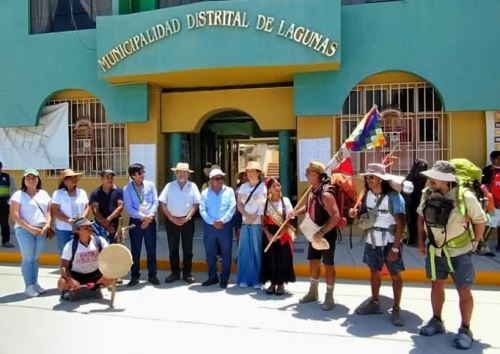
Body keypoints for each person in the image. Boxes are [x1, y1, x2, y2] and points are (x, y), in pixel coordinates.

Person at [417, 161, 487, 350]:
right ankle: (436, 321)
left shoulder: (465, 197)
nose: (431, 180)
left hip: (460, 252)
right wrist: (421, 241)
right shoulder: (427, 194)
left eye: (435, 178)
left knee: (464, 290)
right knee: (436, 285)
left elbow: (480, 220)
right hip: (436, 250)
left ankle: (465, 330)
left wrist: (475, 242)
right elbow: (421, 216)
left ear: (447, 180)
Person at [349, 163, 406, 326]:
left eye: (372, 177)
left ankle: (396, 308)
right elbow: (363, 215)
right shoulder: (367, 194)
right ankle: (375, 302)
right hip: (372, 240)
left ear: (381, 179)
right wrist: (354, 213)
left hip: (389, 240)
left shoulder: (394, 197)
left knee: (395, 275)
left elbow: (400, 223)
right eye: (367, 177)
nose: (368, 179)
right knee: (374, 272)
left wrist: (395, 247)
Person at [292, 161, 340, 311]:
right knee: (313, 262)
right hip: (314, 232)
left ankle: (329, 296)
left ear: (315, 174)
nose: (306, 175)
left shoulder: (325, 194)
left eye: (308, 172)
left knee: (329, 265)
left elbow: (335, 217)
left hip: (326, 233)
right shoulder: (312, 190)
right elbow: (309, 206)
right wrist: (296, 212)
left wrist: (321, 233)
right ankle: (313, 292)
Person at [10, 169, 52, 297]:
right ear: (24, 180)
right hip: (24, 230)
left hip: (41, 230)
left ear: (38, 179)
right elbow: (15, 215)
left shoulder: (44, 194)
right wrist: (29, 228)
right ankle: (28, 286)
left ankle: (35, 283)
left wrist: (47, 224)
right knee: (28, 258)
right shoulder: (18, 195)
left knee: (35, 258)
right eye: (28, 178)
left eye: (34, 177)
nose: (31, 180)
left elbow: (49, 212)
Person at [159, 162, 200, 284]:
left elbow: (196, 203)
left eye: (184, 172)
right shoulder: (169, 186)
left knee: (188, 249)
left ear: (188, 174)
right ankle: (174, 273)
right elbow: (162, 203)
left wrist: (188, 216)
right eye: (179, 172)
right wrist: (171, 218)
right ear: (175, 173)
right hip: (172, 221)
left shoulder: (192, 186)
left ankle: (187, 273)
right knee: (173, 249)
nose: (182, 174)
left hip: (187, 221)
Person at [57, 217, 112, 301]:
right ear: (77, 231)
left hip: (95, 274)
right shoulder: (70, 246)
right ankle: (73, 289)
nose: (90, 229)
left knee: (112, 278)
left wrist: (106, 274)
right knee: (62, 283)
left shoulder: (100, 241)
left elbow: (109, 259)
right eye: (86, 227)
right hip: (76, 275)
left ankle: (96, 287)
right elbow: (63, 266)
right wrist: (70, 279)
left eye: (90, 226)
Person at [123, 163, 160, 286]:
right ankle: (135, 276)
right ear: (133, 176)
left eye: (143, 172)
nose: (142, 175)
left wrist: (149, 217)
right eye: (139, 173)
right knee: (135, 250)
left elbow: (155, 202)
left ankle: (153, 275)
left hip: (150, 220)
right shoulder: (127, 189)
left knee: (151, 249)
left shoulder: (150, 185)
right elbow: (129, 208)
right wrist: (144, 217)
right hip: (136, 221)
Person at [199, 167, 236, 288]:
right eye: (217, 179)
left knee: (226, 253)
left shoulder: (229, 191)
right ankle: (212, 277)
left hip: (225, 226)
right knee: (210, 253)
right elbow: (202, 209)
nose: (220, 181)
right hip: (210, 227)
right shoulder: (204, 193)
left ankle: (224, 279)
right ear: (210, 181)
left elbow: (232, 207)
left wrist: (222, 220)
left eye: (221, 178)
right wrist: (212, 222)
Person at [260, 178, 295, 296]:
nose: (277, 187)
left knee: (282, 259)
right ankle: (272, 283)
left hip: (282, 233)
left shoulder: (285, 201)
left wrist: (280, 234)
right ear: (269, 189)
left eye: (278, 185)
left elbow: (289, 221)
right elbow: (263, 223)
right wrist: (269, 235)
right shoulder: (265, 203)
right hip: (269, 234)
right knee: (270, 259)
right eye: (274, 186)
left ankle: (280, 284)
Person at [236, 161, 267, 289]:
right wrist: (246, 215)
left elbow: (263, 205)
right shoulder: (242, 187)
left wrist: (253, 216)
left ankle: (258, 280)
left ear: (258, 173)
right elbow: (239, 204)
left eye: (253, 171)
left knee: (256, 251)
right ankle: (244, 279)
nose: (250, 173)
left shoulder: (263, 187)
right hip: (245, 222)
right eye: (248, 171)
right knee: (244, 252)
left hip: (257, 222)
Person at [51, 169, 90, 255]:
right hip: (63, 229)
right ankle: (66, 268)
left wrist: (82, 219)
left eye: (75, 177)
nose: (74, 180)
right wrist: (68, 220)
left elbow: (87, 207)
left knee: (79, 252)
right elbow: (55, 210)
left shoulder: (82, 192)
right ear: (64, 181)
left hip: (80, 228)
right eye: (71, 178)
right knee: (65, 252)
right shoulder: (58, 194)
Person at [89, 169, 124, 243]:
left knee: (114, 249)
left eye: (111, 177)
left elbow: (120, 207)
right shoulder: (95, 193)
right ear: (101, 179)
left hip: (115, 226)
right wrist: (106, 225)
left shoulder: (119, 191)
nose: (109, 179)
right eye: (107, 177)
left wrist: (108, 220)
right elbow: (95, 211)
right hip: (100, 226)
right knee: (101, 249)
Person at [404, 159, 428, 246]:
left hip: (416, 201)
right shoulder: (412, 176)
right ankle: (411, 240)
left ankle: (415, 240)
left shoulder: (419, 176)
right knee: (411, 221)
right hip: (410, 202)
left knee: (416, 221)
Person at [481, 150, 500, 251]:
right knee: (490, 226)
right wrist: (490, 202)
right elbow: (484, 187)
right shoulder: (488, 171)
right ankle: (482, 247)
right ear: (495, 159)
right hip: (493, 205)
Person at [0, 161, 16, 247]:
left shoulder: (8, 176)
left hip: (4, 203)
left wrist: (10, 199)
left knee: (4, 223)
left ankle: (6, 241)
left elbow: (13, 188)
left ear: (1, 168)